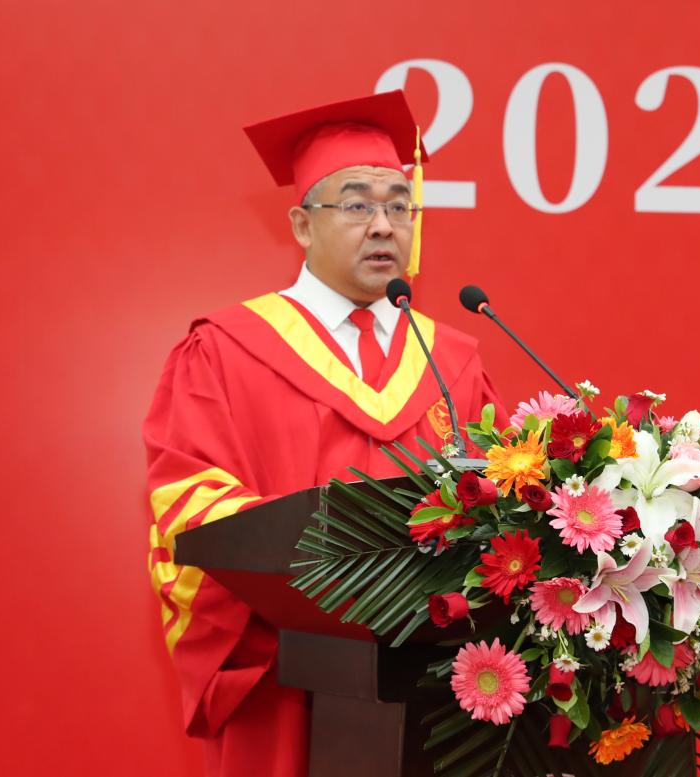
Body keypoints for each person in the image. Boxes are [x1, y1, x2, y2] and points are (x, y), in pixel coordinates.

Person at [143, 90, 505, 777]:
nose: (384, 226)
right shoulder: (226, 350)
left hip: (439, 685)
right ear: (303, 225)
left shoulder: (453, 360)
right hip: (286, 674)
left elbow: (501, 503)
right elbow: (187, 499)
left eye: (400, 206)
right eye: (357, 205)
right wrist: (311, 583)